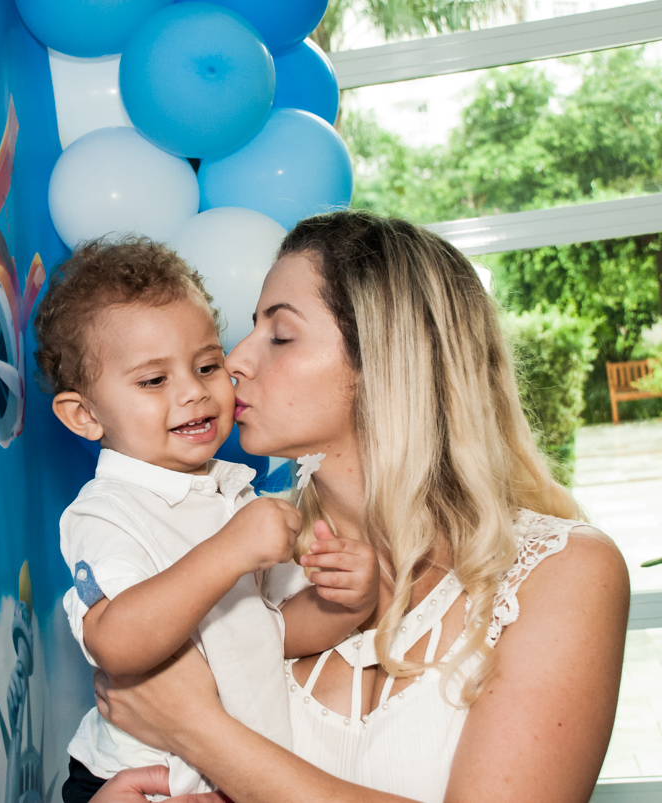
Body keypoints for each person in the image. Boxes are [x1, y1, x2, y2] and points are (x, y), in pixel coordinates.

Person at [89, 212, 631, 803]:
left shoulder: (562, 570)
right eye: (249, 329)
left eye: (280, 335)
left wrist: (196, 729)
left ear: (386, 358)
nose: (234, 360)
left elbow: (183, 727)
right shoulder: (234, 551)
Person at [31, 238, 379, 803]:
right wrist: (229, 552)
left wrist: (347, 603)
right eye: (153, 380)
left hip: (233, 773)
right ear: (85, 415)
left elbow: (275, 632)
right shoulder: (107, 510)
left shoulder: (233, 494)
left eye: (207, 365)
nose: (194, 391)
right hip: (140, 782)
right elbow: (114, 642)